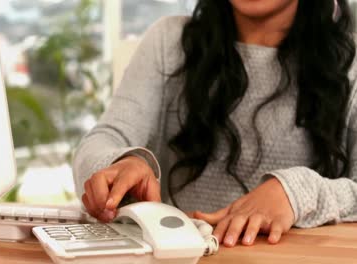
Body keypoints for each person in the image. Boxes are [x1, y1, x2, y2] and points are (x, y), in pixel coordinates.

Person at [72, 0, 357, 247]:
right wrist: (122, 162)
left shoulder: (350, 63)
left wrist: (296, 192)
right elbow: (104, 139)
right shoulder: (169, 41)